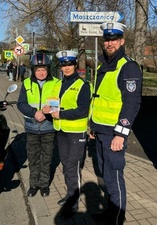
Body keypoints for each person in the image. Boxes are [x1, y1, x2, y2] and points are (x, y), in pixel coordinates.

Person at [89, 22, 142, 225]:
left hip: (114, 134)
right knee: (106, 176)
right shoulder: (105, 64)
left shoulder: (127, 66)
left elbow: (132, 103)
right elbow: (100, 99)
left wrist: (121, 134)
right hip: (101, 131)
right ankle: (111, 213)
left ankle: (118, 219)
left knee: (114, 177)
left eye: (114, 39)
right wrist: (93, 126)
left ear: (122, 41)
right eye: (107, 39)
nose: (109, 43)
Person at [42, 50, 92, 219]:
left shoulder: (83, 85)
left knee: (72, 167)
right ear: (61, 67)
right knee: (66, 165)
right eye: (64, 65)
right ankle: (71, 195)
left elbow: (83, 111)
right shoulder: (58, 84)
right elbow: (51, 103)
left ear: (75, 65)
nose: (67, 68)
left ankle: (74, 201)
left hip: (76, 132)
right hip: (61, 131)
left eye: (70, 64)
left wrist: (61, 114)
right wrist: (46, 109)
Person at [17, 53, 58, 197]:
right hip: (32, 127)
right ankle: (33, 185)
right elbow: (21, 104)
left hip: (48, 127)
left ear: (48, 70)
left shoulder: (56, 83)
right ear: (33, 70)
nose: (41, 72)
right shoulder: (27, 83)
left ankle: (44, 185)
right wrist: (34, 112)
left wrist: (48, 112)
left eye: (44, 69)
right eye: (38, 70)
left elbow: (58, 104)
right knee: (33, 158)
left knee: (47, 158)